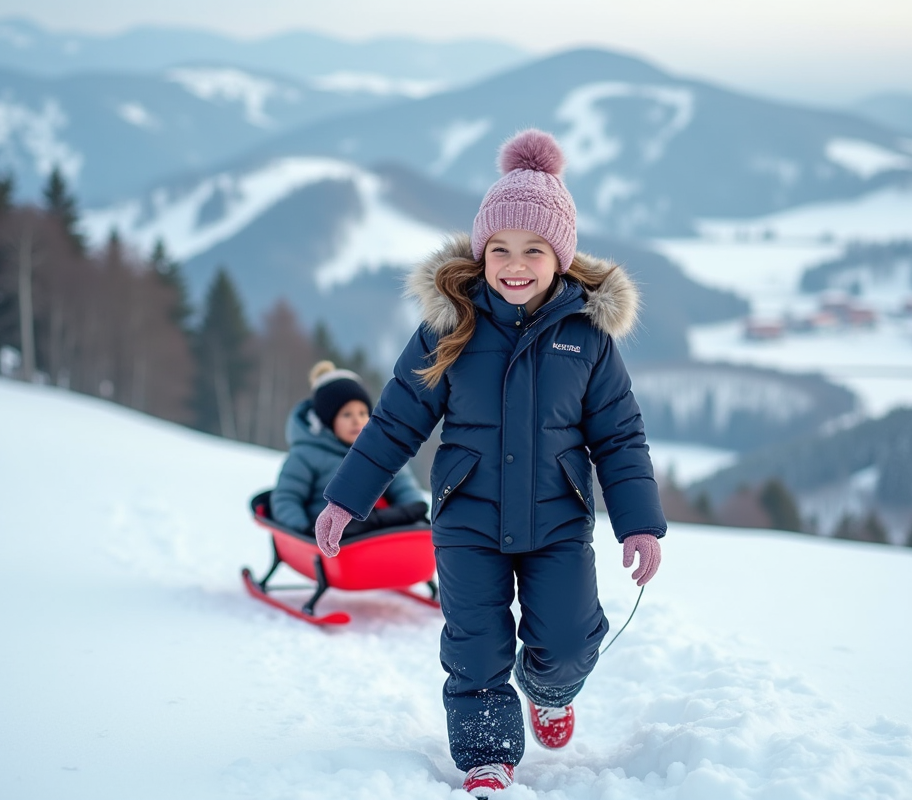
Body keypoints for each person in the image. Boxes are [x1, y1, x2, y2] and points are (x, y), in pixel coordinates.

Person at [312, 129, 665, 796]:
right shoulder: (452, 324)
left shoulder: (587, 337)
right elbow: (396, 420)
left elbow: (620, 437)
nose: (515, 264)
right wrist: (345, 498)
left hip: (558, 518)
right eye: (500, 248)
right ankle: (487, 755)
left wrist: (639, 523)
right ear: (481, 253)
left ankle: (549, 690)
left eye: (534, 249)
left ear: (560, 257)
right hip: (468, 516)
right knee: (475, 644)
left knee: (569, 640)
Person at [270, 360, 428, 536]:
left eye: (362, 413)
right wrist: (303, 530)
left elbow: (404, 488)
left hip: (378, 534)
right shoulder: (306, 455)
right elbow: (287, 499)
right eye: (346, 414)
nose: (357, 421)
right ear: (327, 421)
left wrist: (415, 512)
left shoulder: (380, 452)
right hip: (332, 536)